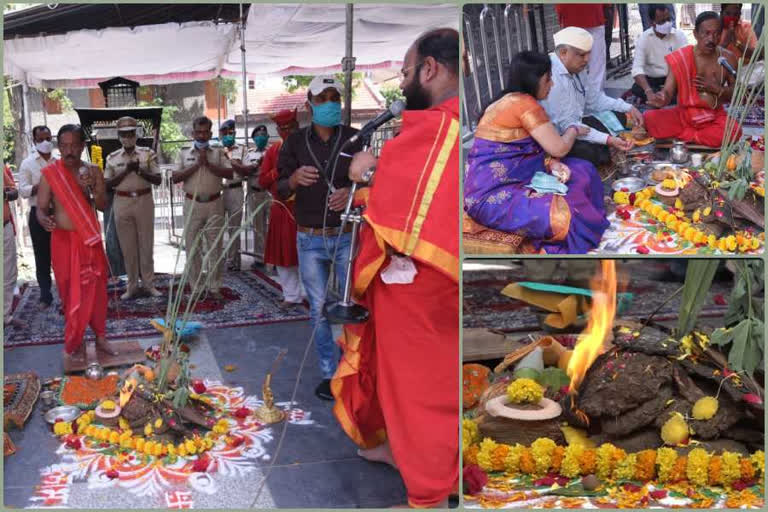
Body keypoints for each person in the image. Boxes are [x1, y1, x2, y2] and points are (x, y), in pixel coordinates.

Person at [333, 28, 460, 508]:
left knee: (418, 385)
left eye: (406, 73)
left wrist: (363, 173)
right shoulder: (445, 121)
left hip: (424, 280)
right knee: (392, 373)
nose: (403, 84)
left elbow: (400, 201)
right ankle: (402, 452)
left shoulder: (437, 124)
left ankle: (428, 492)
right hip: (423, 269)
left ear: (430, 69)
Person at [465, 51, 608, 254]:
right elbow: (559, 147)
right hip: (492, 195)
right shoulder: (524, 105)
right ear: (534, 80)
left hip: (522, 177)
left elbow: (529, 151)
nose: (552, 84)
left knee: (583, 169)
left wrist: (551, 163)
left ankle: (588, 218)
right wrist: (573, 130)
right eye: (548, 79)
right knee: (565, 217)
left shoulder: (513, 100)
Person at [277, 75, 362, 400]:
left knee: (351, 306)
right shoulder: (296, 143)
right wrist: (295, 180)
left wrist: (351, 195)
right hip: (310, 238)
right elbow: (279, 185)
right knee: (317, 309)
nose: (329, 105)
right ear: (309, 105)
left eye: (334, 99)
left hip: (345, 237)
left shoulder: (355, 139)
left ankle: (354, 371)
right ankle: (330, 373)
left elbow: (372, 182)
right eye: (322, 99)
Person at [36, 124, 118, 368]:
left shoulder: (94, 171)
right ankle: (75, 341)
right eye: (64, 146)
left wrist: (94, 186)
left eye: (74, 145)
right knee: (70, 294)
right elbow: (40, 208)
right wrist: (44, 219)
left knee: (97, 291)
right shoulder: (50, 173)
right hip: (62, 241)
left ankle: (100, 337)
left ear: (82, 146)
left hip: (89, 240)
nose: (69, 151)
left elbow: (102, 205)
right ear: (58, 147)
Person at [539, 26, 641, 168]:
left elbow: (594, 100)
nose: (587, 60)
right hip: (559, 137)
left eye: (588, 54)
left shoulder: (577, 68)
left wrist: (628, 107)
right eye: (581, 55)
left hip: (577, 125)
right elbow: (568, 125)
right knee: (591, 153)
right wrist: (608, 140)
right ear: (563, 53)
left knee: (620, 116)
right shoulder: (551, 78)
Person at [644, 12, 741, 147]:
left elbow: (737, 95)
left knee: (734, 130)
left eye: (716, 34)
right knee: (649, 118)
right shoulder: (681, 57)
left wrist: (716, 89)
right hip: (684, 116)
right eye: (706, 33)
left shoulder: (728, 58)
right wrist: (661, 98)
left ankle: (686, 137)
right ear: (695, 34)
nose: (711, 39)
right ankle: (700, 137)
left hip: (714, 116)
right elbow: (667, 91)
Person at [171, 116, 232, 301]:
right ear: (193, 133)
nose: (202, 135)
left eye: (206, 132)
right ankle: (196, 288)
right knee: (193, 247)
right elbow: (175, 177)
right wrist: (198, 164)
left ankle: (214, 287)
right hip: (192, 204)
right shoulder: (183, 153)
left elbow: (229, 173)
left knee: (215, 247)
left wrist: (209, 164)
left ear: (210, 133)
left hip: (215, 203)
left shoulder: (219, 152)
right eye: (199, 132)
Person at [104, 116, 162, 299]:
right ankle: (131, 286)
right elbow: (107, 184)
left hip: (144, 200)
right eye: (124, 134)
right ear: (119, 136)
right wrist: (126, 171)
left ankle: (148, 284)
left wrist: (139, 170)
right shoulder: (112, 158)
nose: (127, 137)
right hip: (122, 202)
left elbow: (158, 179)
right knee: (127, 248)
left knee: (146, 245)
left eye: (130, 133)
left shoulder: (147, 154)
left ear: (136, 134)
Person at [258, 110, 302, 306]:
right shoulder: (273, 151)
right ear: (277, 130)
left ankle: (312, 294)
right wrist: (277, 171)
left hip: (306, 208)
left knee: (308, 253)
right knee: (283, 254)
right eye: (282, 129)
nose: (287, 132)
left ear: (297, 125)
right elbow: (262, 180)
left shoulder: (308, 146)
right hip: (282, 208)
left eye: (290, 127)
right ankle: (291, 295)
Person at [18, 125, 57, 309]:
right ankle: (45, 296)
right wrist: (39, 187)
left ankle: (66, 294)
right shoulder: (28, 163)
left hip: (59, 213)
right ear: (34, 141)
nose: (45, 142)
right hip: (37, 213)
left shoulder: (58, 161)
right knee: (42, 256)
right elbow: (22, 190)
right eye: (41, 139)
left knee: (61, 255)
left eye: (48, 138)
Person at [631, 4, 688, 104]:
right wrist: (648, 91)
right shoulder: (644, 38)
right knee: (637, 88)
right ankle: (659, 98)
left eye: (668, 19)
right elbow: (637, 69)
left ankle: (662, 98)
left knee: (686, 88)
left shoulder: (679, 36)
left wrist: (667, 90)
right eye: (662, 21)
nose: (667, 24)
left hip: (673, 80)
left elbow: (684, 64)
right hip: (652, 81)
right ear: (652, 23)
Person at [555, 4, 608, 90]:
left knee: (572, 60)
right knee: (596, 62)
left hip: (572, 12)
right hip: (588, 12)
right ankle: (594, 94)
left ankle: (581, 92)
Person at [217, 119, 246, 271]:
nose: (229, 135)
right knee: (215, 228)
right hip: (218, 192)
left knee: (234, 228)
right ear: (220, 135)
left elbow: (244, 170)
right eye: (226, 133)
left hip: (235, 190)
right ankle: (215, 260)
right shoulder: (215, 149)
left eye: (232, 133)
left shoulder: (241, 149)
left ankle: (234, 261)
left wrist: (230, 157)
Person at [244, 125, 270, 268]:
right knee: (258, 227)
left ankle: (273, 258)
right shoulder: (249, 155)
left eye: (263, 134)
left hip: (270, 193)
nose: (261, 137)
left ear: (267, 137)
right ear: (254, 138)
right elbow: (245, 171)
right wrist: (256, 165)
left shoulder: (273, 152)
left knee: (272, 226)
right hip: (255, 193)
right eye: (258, 135)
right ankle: (260, 257)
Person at [4, 165, 24, 329]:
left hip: (4, 227)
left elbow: (14, 192)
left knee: (9, 273)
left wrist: (5, 194)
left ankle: (5, 316)